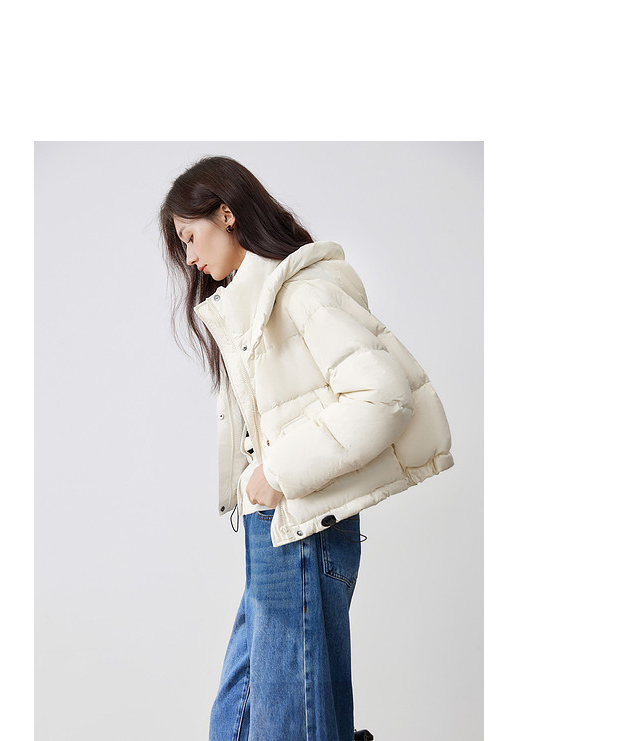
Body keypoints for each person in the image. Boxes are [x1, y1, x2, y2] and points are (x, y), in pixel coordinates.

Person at [158, 155, 454, 741]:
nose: (189, 258)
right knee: (242, 720)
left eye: (190, 237)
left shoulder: (301, 293)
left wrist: (277, 473)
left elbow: (383, 396)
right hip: (276, 528)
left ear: (227, 213)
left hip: (304, 528)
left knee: (288, 724)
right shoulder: (253, 303)